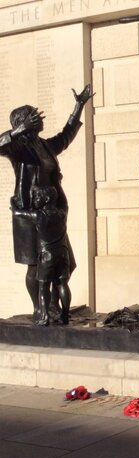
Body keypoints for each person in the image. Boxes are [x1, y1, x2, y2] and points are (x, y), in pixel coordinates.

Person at [0, 85, 92, 323]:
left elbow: (65, 136)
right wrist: (18, 130)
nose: (40, 119)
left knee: (66, 265)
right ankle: (40, 308)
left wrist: (78, 107)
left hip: (52, 214)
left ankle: (52, 306)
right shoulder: (19, 148)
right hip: (28, 214)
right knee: (34, 265)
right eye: (34, 116)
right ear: (25, 122)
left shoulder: (43, 146)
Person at [12, 186, 72, 327]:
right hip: (63, 253)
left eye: (38, 197)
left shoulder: (39, 215)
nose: (35, 199)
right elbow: (65, 203)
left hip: (47, 255)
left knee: (43, 285)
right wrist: (58, 185)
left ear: (46, 199)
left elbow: (17, 212)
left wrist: (13, 201)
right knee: (62, 283)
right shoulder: (62, 213)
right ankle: (64, 315)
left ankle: (44, 316)